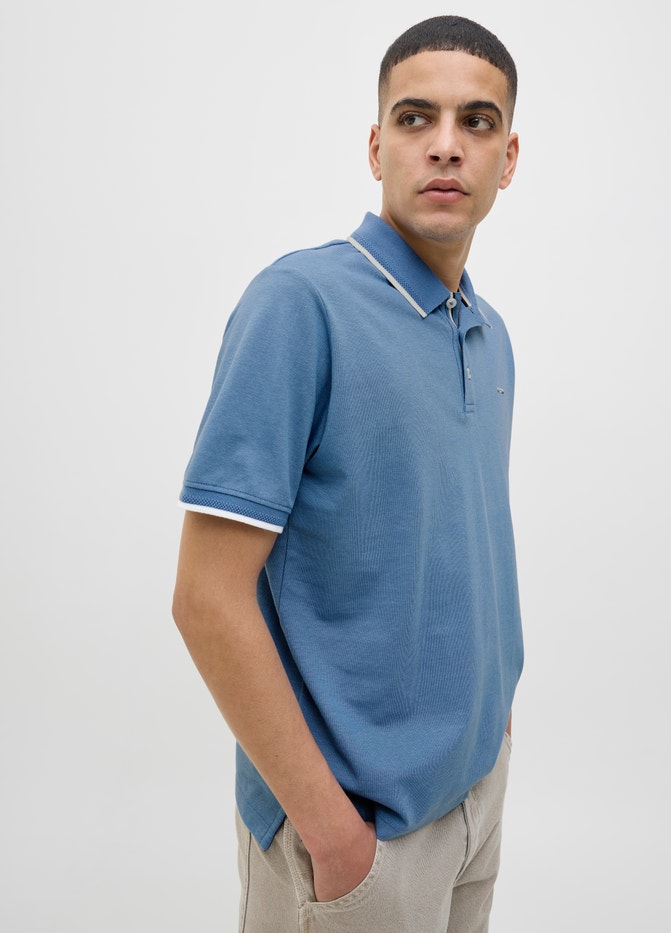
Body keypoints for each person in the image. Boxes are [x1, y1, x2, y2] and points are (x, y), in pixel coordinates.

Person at [172, 13, 524, 932]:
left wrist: (492, 723)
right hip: (358, 836)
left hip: (474, 794)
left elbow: (460, 543)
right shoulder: (299, 305)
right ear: (376, 147)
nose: (445, 145)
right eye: (415, 118)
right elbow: (206, 597)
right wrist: (334, 836)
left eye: (476, 121)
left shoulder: (488, 334)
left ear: (508, 158)